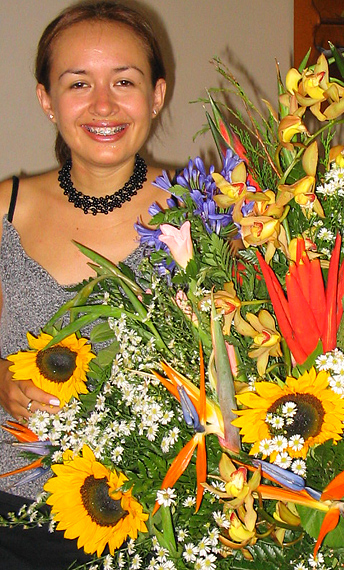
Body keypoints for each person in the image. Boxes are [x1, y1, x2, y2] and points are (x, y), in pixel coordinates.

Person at [0, 2, 169, 567]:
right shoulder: (6, 210)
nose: (103, 104)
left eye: (125, 80)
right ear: (48, 99)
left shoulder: (208, 217)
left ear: (157, 95)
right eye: (79, 83)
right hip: (13, 515)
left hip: (160, 519)